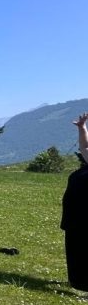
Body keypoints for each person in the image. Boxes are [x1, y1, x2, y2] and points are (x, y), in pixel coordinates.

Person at [60, 112, 88, 292]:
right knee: (75, 249)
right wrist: (82, 128)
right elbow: (85, 147)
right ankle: (77, 280)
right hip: (75, 218)